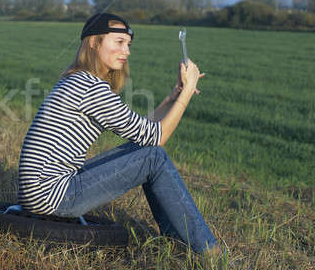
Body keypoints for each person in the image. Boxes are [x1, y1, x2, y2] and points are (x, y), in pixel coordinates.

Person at [17, 13, 219, 254]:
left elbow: (142, 131)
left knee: (147, 152)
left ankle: (182, 240)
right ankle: (208, 252)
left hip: (43, 191)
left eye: (128, 44)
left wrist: (174, 95)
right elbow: (157, 137)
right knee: (154, 156)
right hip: (52, 196)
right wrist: (186, 95)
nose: (127, 51)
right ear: (94, 42)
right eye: (119, 42)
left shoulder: (78, 80)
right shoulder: (90, 88)